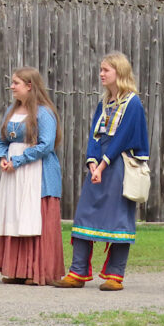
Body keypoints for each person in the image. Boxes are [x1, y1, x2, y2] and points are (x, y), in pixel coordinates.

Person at [52, 52, 149, 291]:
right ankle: (77, 271)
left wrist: (104, 164)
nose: (101, 74)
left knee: (118, 217)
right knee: (85, 213)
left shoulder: (132, 103)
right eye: (101, 69)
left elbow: (124, 137)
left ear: (120, 72)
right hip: (100, 168)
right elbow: (95, 135)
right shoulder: (104, 103)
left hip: (119, 167)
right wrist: (92, 162)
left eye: (106, 70)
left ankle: (115, 275)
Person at [0, 67, 66, 286]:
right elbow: (1, 140)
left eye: (16, 83)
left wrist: (19, 160)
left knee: (34, 217)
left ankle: (37, 271)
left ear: (29, 86)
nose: (12, 87)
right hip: (14, 174)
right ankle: (15, 269)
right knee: (15, 215)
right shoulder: (11, 111)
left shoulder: (44, 113)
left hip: (38, 174)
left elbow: (46, 145)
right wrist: (3, 157)